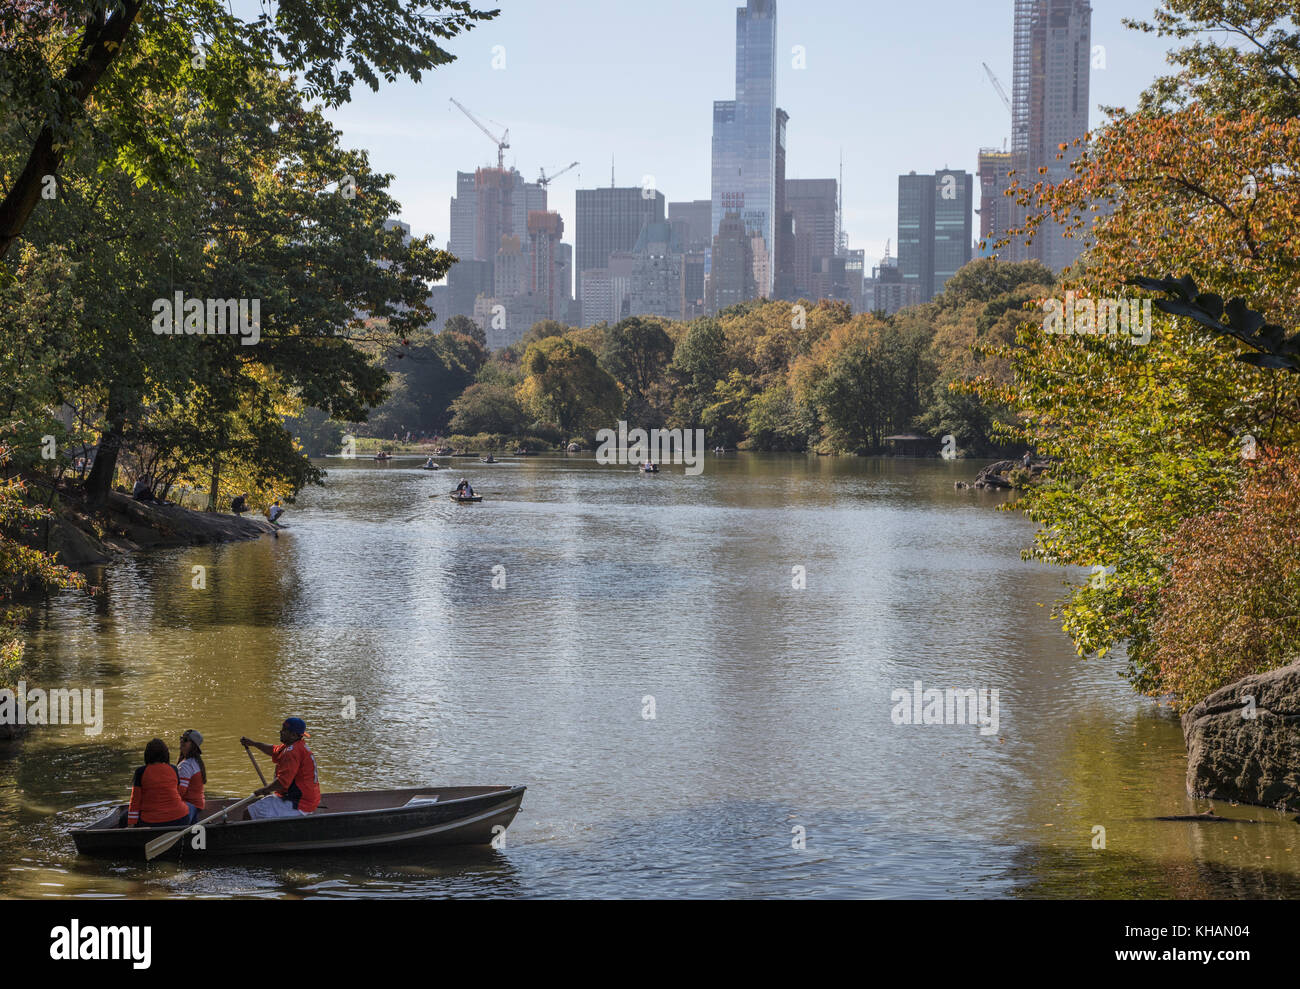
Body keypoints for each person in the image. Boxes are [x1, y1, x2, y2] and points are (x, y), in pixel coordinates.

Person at [239, 718, 320, 820]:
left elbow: (282, 782)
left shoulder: (292, 752)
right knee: (260, 808)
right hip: (301, 799)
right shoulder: (293, 746)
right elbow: (273, 750)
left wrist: (264, 790)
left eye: (284, 730)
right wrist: (254, 744)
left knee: (248, 814)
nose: (280, 732)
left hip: (298, 803)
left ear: (294, 735)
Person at [126, 739, 191, 829]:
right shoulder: (174, 769)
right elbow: (178, 793)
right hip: (181, 818)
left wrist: (131, 825)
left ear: (147, 755)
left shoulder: (141, 771)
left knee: (123, 818)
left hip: (151, 822)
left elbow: (135, 801)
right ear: (165, 754)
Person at [176, 729, 207, 824]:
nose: (181, 741)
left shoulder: (186, 765)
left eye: (185, 740)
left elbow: (180, 792)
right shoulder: (196, 762)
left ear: (193, 745)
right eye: (181, 738)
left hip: (190, 806)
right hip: (198, 805)